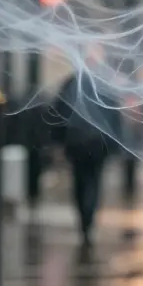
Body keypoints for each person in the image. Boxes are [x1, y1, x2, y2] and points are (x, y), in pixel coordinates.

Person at [51, 73, 122, 238]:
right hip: (97, 143)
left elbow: (59, 112)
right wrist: (114, 144)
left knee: (80, 180)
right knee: (93, 181)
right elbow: (114, 115)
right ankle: (88, 215)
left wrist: (59, 139)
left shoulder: (71, 83)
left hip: (78, 142)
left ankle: (84, 217)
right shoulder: (104, 84)